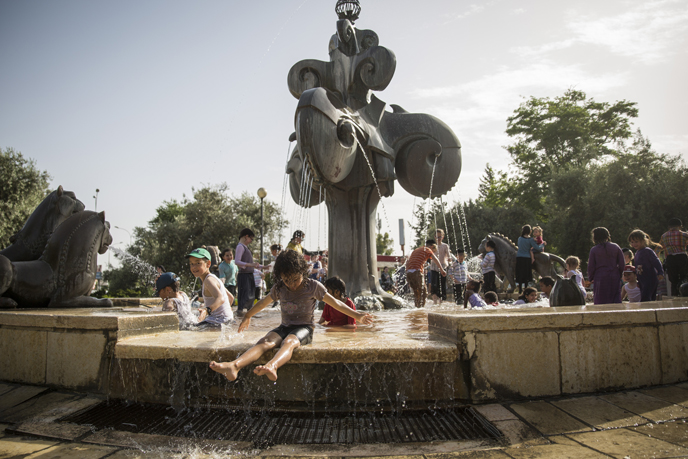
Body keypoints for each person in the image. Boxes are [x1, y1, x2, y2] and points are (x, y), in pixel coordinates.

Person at [209, 250, 373, 382]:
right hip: (285, 326)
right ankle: (235, 366)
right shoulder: (280, 288)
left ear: (303, 271)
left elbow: (336, 304)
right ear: (280, 277)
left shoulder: (312, 286)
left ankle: (273, 365)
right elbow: (262, 303)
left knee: (290, 341)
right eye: (287, 280)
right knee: (265, 341)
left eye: (295, 279)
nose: (291, 284)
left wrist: (357, 316)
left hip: (305, 328)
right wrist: (247, 316)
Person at [186, 248, 234, 326]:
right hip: (227, 320)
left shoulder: (208, 281)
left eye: (198, 263)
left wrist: (206, 311)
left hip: (218, 322)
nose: (194, 267)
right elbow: (230, 298)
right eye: (191, 264)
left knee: (187, 328)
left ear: (208, 264)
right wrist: (227, 313)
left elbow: (220, 299)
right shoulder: (214, 278)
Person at [587, 227, 625, 305]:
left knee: (601, 298)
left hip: (600, 276)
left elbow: (591, 266)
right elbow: (622, 263)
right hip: (614, 274)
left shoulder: (594, 250)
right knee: (615, 296)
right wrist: (620, 274)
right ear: (608, 236)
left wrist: (591, 277)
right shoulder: (615, 247)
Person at [406, 240, 447, 308]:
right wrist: (442, 270)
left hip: (409, 273)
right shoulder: (427, 249)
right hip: (417, 272)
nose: (432, 254)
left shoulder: (417, 250)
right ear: (431, 246)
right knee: (424, 293)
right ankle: (421, 310)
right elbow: (435, 259)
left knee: (417, 293)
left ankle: (417, 309)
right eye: (433, 251)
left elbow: (408, 262)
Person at [628, 229, 665, 302]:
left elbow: (656, 261)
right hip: (642, 280)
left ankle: (648, 311)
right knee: (646, 297)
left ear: (643, 241)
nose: (634, 244)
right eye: (632, 242)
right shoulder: (637, 253)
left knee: (646, 298)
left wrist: (660, 272)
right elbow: (637, 268)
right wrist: (638, 281)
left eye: (636, 242)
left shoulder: (647, 251)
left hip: (650, 278)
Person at [235, 228, 265, 313]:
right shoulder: (240, 246)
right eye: (251, 239)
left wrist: (264, 267)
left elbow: (252, 264)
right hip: (244, 275)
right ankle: (240, 316)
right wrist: (250, 264)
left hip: (249, 275)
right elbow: (237, 261)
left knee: (250, 297)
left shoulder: (245, 247)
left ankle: (249, 315)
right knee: (243, 298)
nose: (251, 241)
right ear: (246, 236)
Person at [660, 218, 688, 297]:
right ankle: (683, 293)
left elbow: (659, 248)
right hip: (682, 257)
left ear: (669, 227)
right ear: (680, 226)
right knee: (684, 277)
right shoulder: (684, 234)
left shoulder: (664, 236)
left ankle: (674, 296)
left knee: (673, 280)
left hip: (670, 258)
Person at [516, 225, 545, 294]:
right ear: (530, 231)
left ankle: (520, 289)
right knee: (526, 274)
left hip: (519, 257)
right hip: (527, 258)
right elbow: (537, 247)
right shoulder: (530, 239)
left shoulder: (519, 238)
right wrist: (543, 244)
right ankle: (525, 288)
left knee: (520, 273)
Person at [429, 229, 452, 304]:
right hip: (433, 267)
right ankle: (435, 301)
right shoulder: (432, 246)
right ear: (434, 237)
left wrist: (449, 258)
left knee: (442, 284)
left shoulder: (445, 246)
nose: (438, 238)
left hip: (442, 267)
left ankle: (441, 301)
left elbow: (449, 255)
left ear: (443, 237)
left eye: (440, 237)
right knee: (434, 284)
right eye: (437, 237)